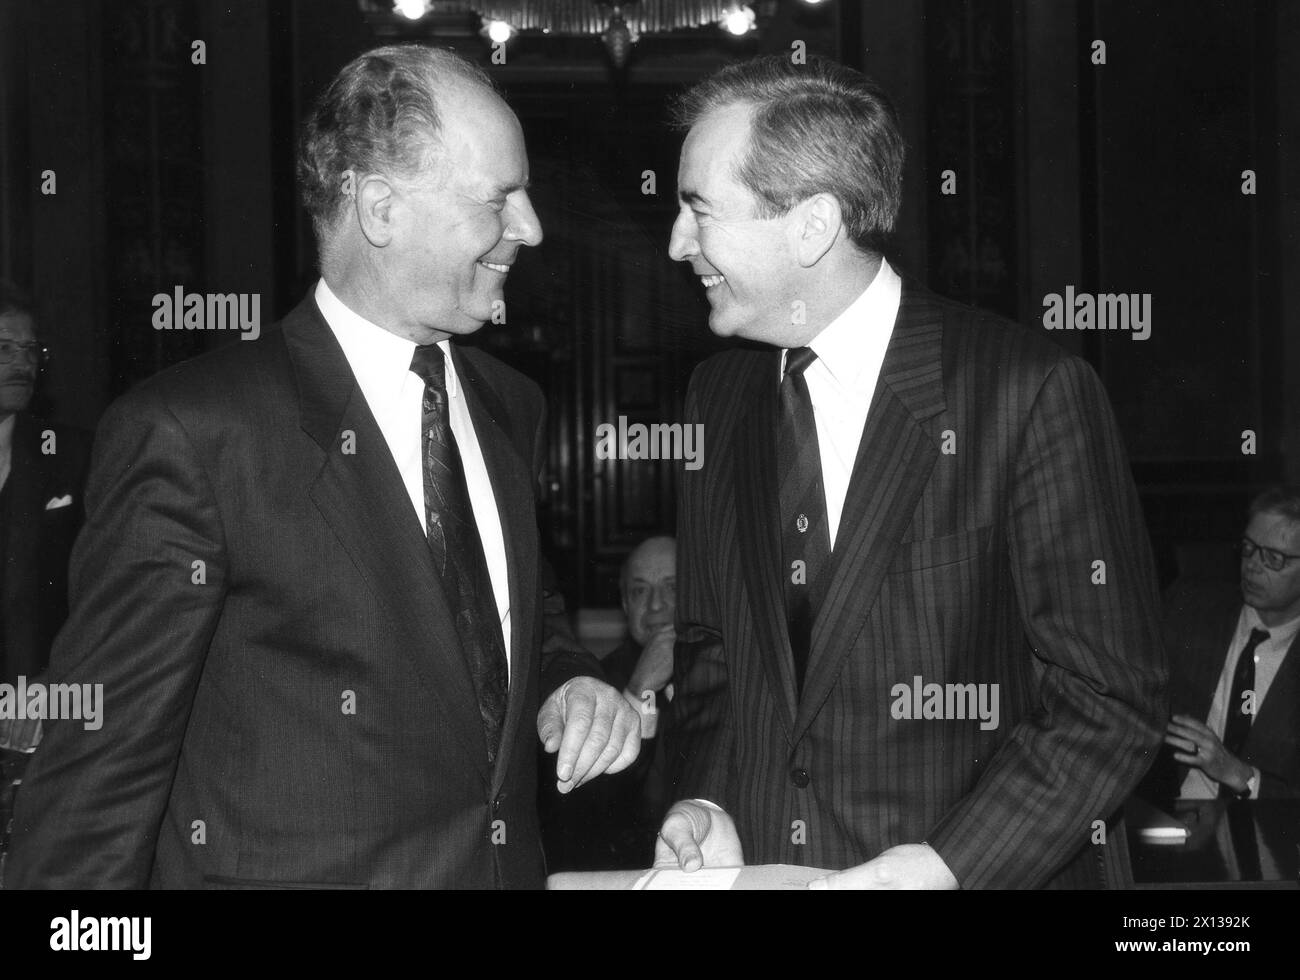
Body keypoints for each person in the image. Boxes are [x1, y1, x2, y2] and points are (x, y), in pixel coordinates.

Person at [4, 45, 638, 890]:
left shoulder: (508, 405)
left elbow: (513, 610)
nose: (530, 227)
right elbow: (101, 771)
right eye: (500, 197)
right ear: (379, 209)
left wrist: (566, 678)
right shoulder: (196, 431)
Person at [656, 55, 1167, 889]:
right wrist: (707, 803)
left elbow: (1110, 700)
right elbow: (712, 654)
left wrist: (943, 867)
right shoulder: (717, 396)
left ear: (811, 224)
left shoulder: (1024, 391)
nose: (678, 244)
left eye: (698, 209)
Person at [0, 284, 90, 871]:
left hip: (32, 721)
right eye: (5, 348)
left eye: (32, 352)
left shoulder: (69, 459)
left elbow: (97, 589)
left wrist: (53, 676)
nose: (23, 364)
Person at [1154, 488, 1300, 799]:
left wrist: (1240, 775)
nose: (1252, 566)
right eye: (1248, 548)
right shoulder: (1188, 608)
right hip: (1168, 817)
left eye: (1273, 558)